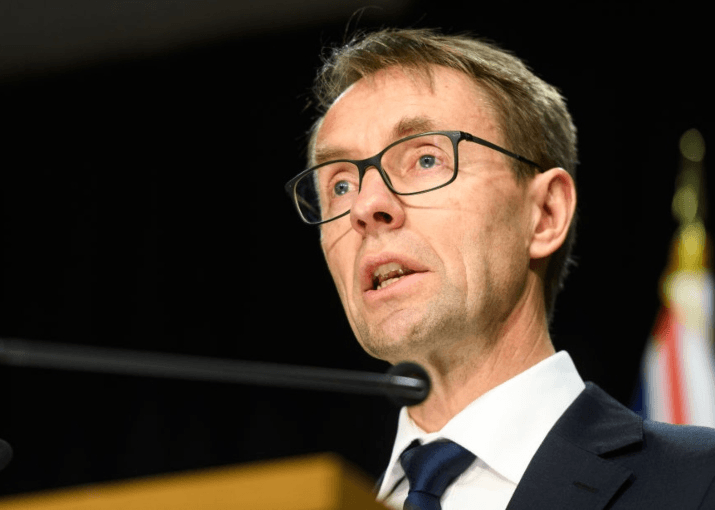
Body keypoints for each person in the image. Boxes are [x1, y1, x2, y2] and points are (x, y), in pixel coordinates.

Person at [284, 28, 715, 509]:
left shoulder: (699, 482)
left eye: (426, 158)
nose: (366, 206)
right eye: (340, 185)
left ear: (546, 214)